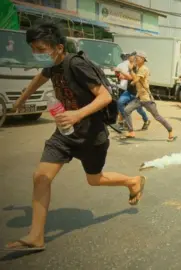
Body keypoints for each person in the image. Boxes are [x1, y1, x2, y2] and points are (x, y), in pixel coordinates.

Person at [5, 22, 146, 251]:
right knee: (41, 177)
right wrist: (20, 102)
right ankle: (36, 235)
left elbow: (104, 97)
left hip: (91, 134)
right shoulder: (52, 66)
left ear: (58, 47)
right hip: (64, 134)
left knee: (95, 179)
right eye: (34, 49)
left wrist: (77, 114)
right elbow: (37, 80)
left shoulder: (76, 64)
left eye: (40, 49)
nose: (36, 54)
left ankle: (133, 181)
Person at [123, 51, 176, 141]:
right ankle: (131, 131)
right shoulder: (139, 68)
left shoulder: (144, 69)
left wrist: (131, 72)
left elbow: (135, 80)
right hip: (139, 98)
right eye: (136, 58)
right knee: (126, 110)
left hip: (146, 98)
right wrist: (131, 70)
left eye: (138, 58)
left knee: (157, 117)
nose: (136, 59)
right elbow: (134, 78)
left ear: (143, 60)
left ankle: (170, 131)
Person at [115, 52, 150, 130]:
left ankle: (146, 120)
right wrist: (118, 75)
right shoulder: (129, 66)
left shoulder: (139, 68)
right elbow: (127, 77)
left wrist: (121, 71)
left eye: (132, 56)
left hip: (137, 93)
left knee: (139, 110)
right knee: (120, 102)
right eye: (129, 56)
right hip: (129, 91)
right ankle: (125, 121)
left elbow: (132, 78)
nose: (129, 57)